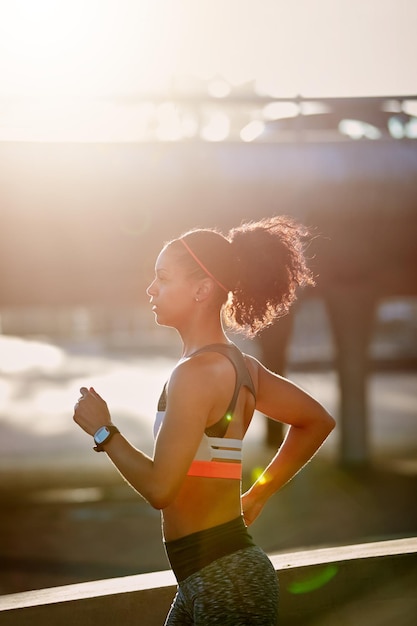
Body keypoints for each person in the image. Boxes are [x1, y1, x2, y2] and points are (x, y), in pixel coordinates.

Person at [73, 215, 335, 625]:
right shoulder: (242, 367)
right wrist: (259, 493)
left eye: (162, 277)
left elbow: (161, 489)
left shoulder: (196, 374)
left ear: (202, 289)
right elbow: (316, 421)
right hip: (208, 576)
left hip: (226, 581)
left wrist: (104, 431)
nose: (150, 289)